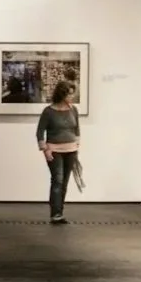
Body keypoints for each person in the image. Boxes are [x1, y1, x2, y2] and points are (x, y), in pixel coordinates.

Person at [35, 79, 81, 225]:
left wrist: (77, 144)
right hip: (54, 150)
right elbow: (39, 132)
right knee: (57, 180)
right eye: (69, 94)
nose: (71, 97)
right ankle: (55, 214)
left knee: (64, 182)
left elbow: (77, 128)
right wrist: (45, 150)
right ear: (61, 94)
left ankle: (59, 212)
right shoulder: (48, 112)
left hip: (71, 150)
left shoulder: (73, 110)